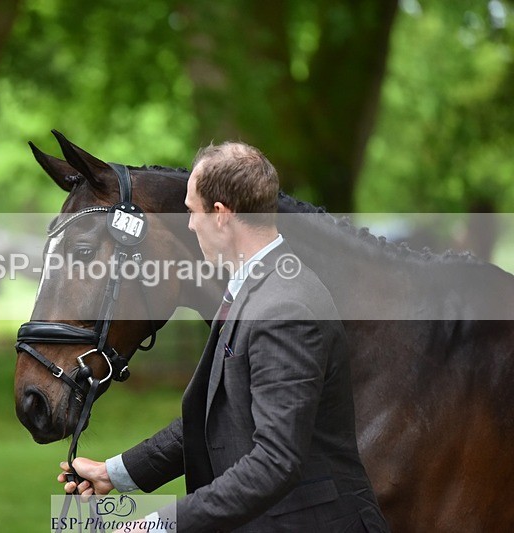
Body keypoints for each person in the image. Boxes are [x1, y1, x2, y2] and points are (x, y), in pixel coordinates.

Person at [58, 142, 389, 532]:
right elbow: (216, 414)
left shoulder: (285, 309)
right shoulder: (254, 288)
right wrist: (114, 473)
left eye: (191, 211)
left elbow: (274, 462)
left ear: (220, 215)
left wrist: (159, 525)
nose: (190, 224)